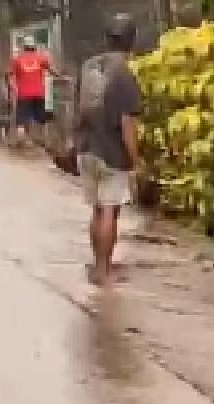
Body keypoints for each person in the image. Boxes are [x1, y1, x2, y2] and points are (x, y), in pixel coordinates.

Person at [76, 13, 142, 287]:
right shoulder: (124, 73)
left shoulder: (89, 66)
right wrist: (136, 160)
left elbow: (76, 108)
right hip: (111, 152)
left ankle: (98, 265)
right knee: (109, 211)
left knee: (96, 209)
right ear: (131, 41)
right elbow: (128, 123)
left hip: (86, 149)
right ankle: (104, 271)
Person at [7, 34, 56, 145]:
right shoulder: (42, 58)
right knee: (40, 119)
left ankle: (22, 141)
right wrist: (60, 75)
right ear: (34, 47)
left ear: (24, 47)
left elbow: (9, 74)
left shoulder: (17, 59)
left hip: (23, 94)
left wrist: (11, 86)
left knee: (22, 119)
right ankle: (42, 140)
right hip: (39, 93)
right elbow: (52, 71)